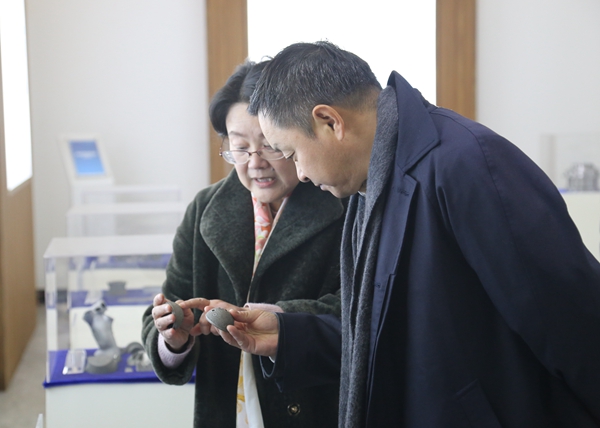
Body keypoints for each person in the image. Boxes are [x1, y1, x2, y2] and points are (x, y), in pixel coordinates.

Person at [215, 42, 600, 427]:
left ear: (330, 122)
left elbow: (573, 322)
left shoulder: (467, 164)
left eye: (292, 153)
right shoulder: (370, 185)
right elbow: (393, 332)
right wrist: (288, 334)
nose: (299, 173)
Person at [141, 59, 345, 428]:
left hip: (314, 406)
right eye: (239, 147)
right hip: (227, 405)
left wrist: (277, 319)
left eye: (270, 146)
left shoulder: (341, 202)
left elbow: (359, 309)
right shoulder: (206, 208)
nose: (255, 163)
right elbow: (168, 305)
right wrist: (173, 336)